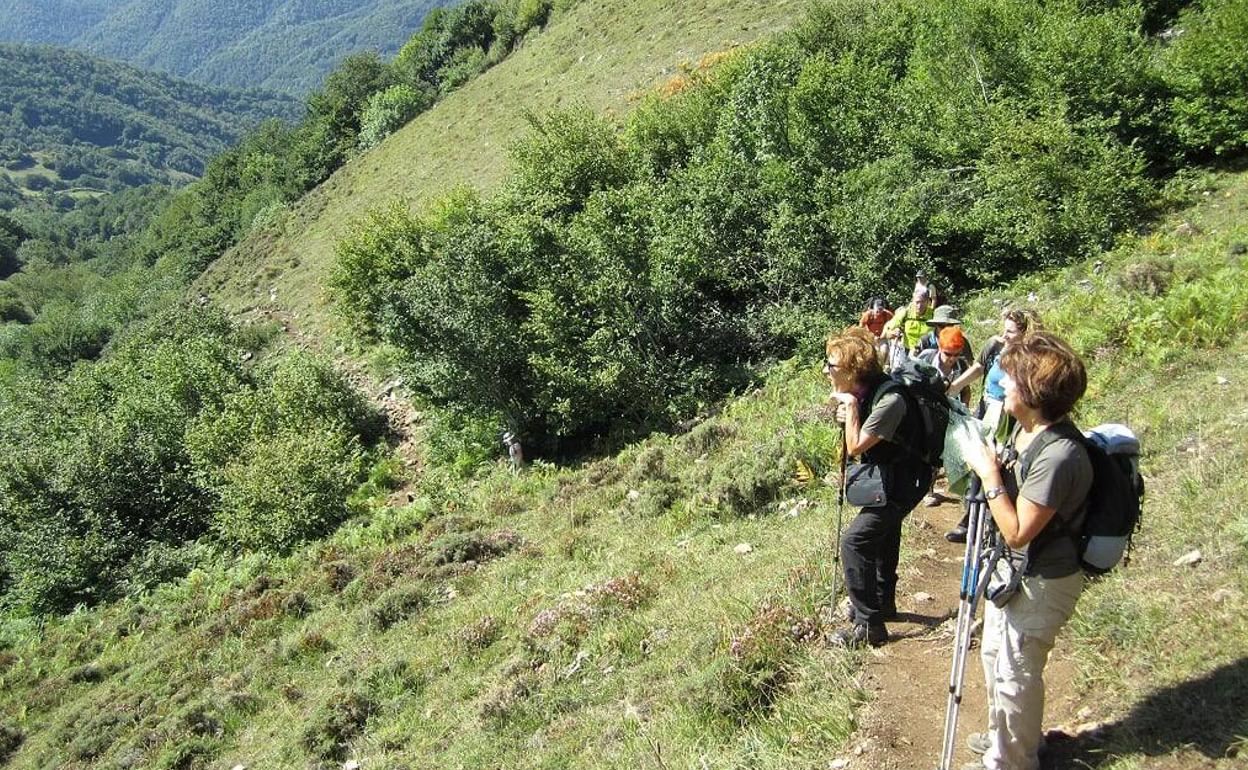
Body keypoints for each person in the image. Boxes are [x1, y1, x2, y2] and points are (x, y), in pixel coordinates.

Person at [961, 331, 1091, 770]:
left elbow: (1018, 531)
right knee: (996, 656)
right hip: (1014, 574)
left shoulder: (1060, 456)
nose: (1002, 384)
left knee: (1016, 675)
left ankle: (1014, 761)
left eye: (1011, 379)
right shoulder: (1026, 431)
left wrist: (990, 475)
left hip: (1042, 580)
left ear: (1034, 392)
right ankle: (1011, 738)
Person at [824, 326, 934, 647]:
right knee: (883, 532)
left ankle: (869, 625)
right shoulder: (864, 391)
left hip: (908, 479)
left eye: (832, 366)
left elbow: (856, 445)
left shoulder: (890, 400)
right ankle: (883, 603)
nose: (827, 371)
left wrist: (852, 409)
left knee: (854, 543)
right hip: (892, 475)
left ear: (852, 371)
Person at [946, 308, 1040, 542]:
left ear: (1025, 333)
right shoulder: (995, 345)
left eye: (1011, 331)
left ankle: (985, 520)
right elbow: (978, 368)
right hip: (986, 407)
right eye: (1004, 329)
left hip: (1009, 414)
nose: (1005, 335)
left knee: (996, 463)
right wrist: (953, 388)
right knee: (976, 461)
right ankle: (972, 514)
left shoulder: (1029, 355)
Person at [883, 287, 934, 357]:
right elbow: (888, 328)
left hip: (927, 351)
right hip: (907, 351)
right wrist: (891, 333)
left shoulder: (933, 315)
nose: (919, 306)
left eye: (923, 302)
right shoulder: (906, 312)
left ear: (928, 302)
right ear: (913, 301)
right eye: (917, 302)